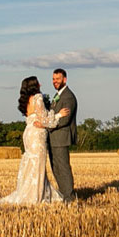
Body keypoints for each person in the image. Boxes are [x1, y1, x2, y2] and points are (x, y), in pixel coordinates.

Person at [0, 75, 70, 205]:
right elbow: (44, 118)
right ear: (34, 86)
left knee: (31, 162)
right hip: (37, 134)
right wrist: (59, 115)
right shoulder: (38, 97)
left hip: (28, 132)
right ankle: (36, 196)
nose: (40, 85)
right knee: (38, 165)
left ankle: (29, 192)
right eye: (38, 83)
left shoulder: (25, 100)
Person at [46, 68, 77, 203]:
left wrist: (47, 126)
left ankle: (69, 197)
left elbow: (65, 120)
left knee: (63, 168)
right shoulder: (58, 95)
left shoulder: (68, 97)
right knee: (56, 169)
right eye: (53, 79)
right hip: (54, 138)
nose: (55, 82)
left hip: (61, 138)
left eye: (58, 79)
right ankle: (64, 194)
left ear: (64, 79)